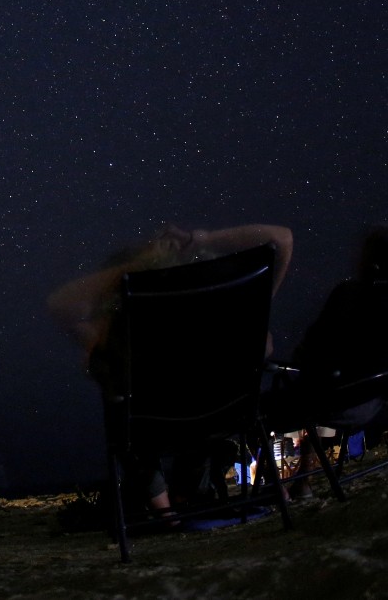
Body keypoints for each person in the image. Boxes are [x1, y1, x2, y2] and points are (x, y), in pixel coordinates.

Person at [47, 222, 294, 517]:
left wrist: (139, 267)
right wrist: (200, 239)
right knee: (210, 409)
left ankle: (164, 510)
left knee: (113, 389)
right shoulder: (232, 314)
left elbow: (60, 304)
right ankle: (188, 496)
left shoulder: (127, 338)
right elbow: (282, 238)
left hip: (153, 429)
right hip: (224, 420)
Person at [272, 220, 388, 500]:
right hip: (378, 395)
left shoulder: (348, 295)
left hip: (336, 400)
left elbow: (308, 351)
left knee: (272, 405)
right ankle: (303, 483)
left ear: (372, 260)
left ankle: (280, 489)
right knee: (319, 389)